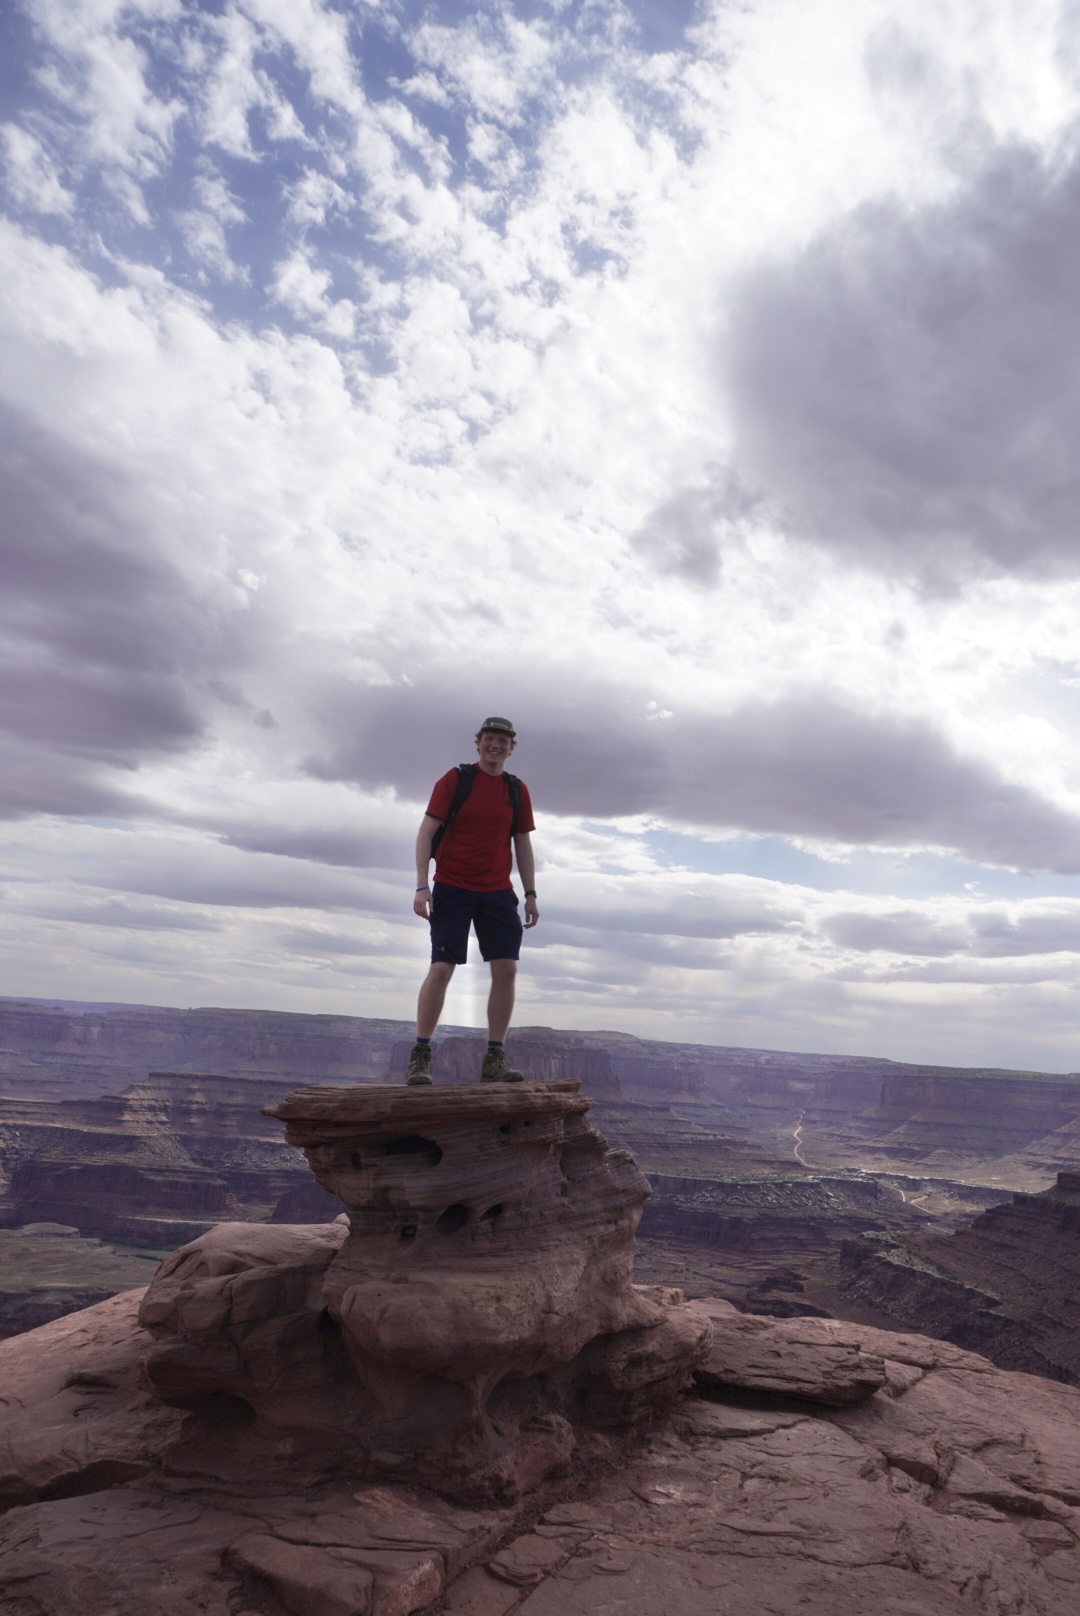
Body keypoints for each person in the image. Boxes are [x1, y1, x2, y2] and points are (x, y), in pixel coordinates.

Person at [406, 717, 539, 1085]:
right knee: (442, 968)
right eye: (490, 739)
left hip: (497, 890)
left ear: (512, 748)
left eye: (504, 741)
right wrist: (421, 885)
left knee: (506, 969)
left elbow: (522, 845)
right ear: (478, 743)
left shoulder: (516, 790)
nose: (496, 746)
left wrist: (529, 894)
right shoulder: (456, 780)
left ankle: (494, 1056)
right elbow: (426, 831)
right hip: (452, 885)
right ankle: (420, 1054)